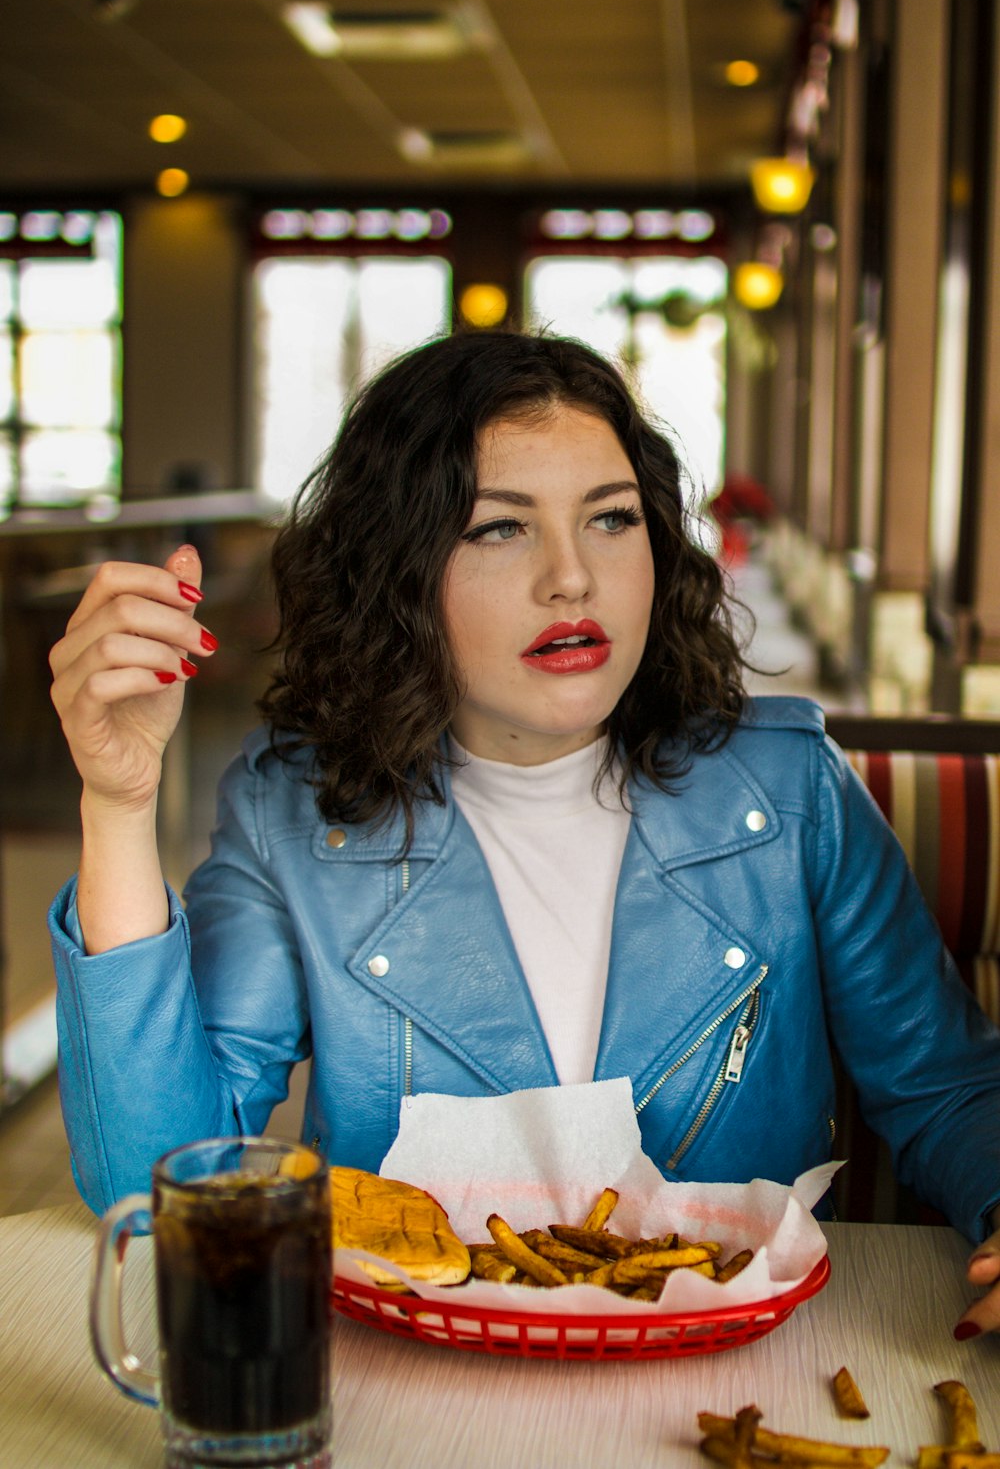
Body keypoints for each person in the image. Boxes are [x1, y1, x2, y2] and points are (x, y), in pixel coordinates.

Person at [48, 329, 1000, 1339]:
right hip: (412, 1393)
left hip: (749, 1378)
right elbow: (150, 1187)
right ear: (396, 571)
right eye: (498, 529)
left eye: (611, 519)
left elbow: (946, 1090)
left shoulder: (789, 791)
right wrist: (117, 805)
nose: (571, 578)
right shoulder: (292, 809)